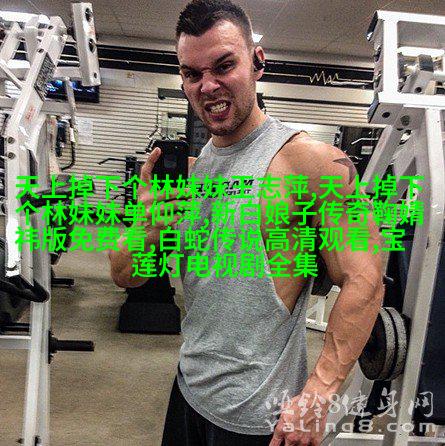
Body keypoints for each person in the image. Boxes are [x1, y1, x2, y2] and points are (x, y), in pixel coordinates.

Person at [109, 1, 385, 444]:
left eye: (224, 66)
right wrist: (148, 225)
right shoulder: (194, 173)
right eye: (192, 74)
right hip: (189, 392)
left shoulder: (312, 164)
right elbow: (127, 276)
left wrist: (318, 395)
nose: (208, 86)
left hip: (258, 418)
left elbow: (366, 281)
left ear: (257, 62)